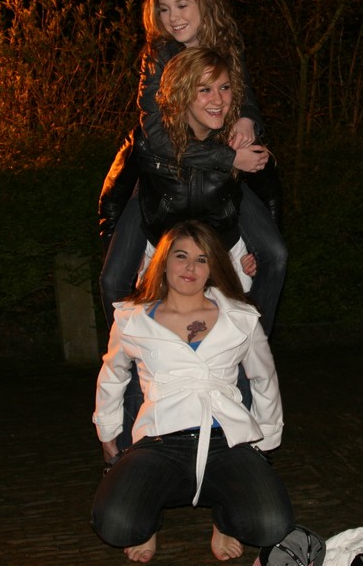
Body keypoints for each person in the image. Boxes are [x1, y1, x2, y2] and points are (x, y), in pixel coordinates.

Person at [99, 0, 286, 338]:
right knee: (112, 280)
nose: (173, 18)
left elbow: (246, 96)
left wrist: (248, 119)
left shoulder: (228, 43)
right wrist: (229, 157)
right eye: (164, 9)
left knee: (275, 256)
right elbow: (156, 135)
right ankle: (127, 355)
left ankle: (255, 347)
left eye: (182, 5)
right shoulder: (158, 54)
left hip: (221, 181)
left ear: (204, 2)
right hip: (164, 174)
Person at [92, 220, 294, 563]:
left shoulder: (240, 316)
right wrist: (108, 434)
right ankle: (149, 518)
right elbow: (112, 375)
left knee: (272, 526)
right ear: (163, 262)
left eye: (202, 259)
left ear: (213, 267)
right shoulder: (133, 317)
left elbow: (264, 377)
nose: (190, 267)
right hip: (159, 439)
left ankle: (224, 518)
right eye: (181, 256)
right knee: (115, 525)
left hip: (227, 438)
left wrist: (267, 438)